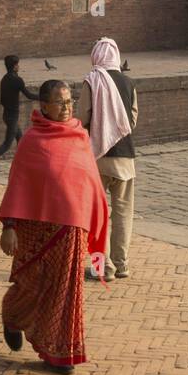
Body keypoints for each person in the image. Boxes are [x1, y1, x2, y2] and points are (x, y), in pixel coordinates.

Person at [0, 79, 108, 374]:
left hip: (72, 226)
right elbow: (18, 185)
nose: (66, 107)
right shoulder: (32, 141)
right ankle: (12, 315)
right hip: (35, 229)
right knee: (31, 286)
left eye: (70, 101)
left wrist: (97, 216)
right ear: (43, 106)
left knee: (65, 291)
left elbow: (90, 180)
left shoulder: (79, 136)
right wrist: (9, 226)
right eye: (60, 102)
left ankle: (60, 353)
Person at [76, 37, 137, 280]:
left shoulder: (92, 81)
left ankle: (103, 268)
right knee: (123, 213)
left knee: (98, 214)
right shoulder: (129, 83)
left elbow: (82, 118)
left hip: (97, 158)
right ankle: (121, 265)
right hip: (125, 157)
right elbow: (131, 121)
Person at [0, 55, 39, 169]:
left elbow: (2, 100)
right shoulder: (17, 80)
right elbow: (29, 95)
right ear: (14, 66)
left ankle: (26, 164)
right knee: (7, 144)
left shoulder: (4, 79)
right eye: (17, 64)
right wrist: (44, 97)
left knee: (21, 141)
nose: (18, 66)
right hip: (13, 116)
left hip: (7, 115)